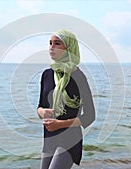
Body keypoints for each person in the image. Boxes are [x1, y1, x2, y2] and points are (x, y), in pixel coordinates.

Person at [37, 29, 96, 169]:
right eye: (50, 43)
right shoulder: (47, 74)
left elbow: (90, 116)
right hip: (49, 138)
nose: (51, 47)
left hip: (70, 139)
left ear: (69, 48)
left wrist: (59, 124)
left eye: (57, 43)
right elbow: (39, 106)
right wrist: (43, 112)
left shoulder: (78, 77)